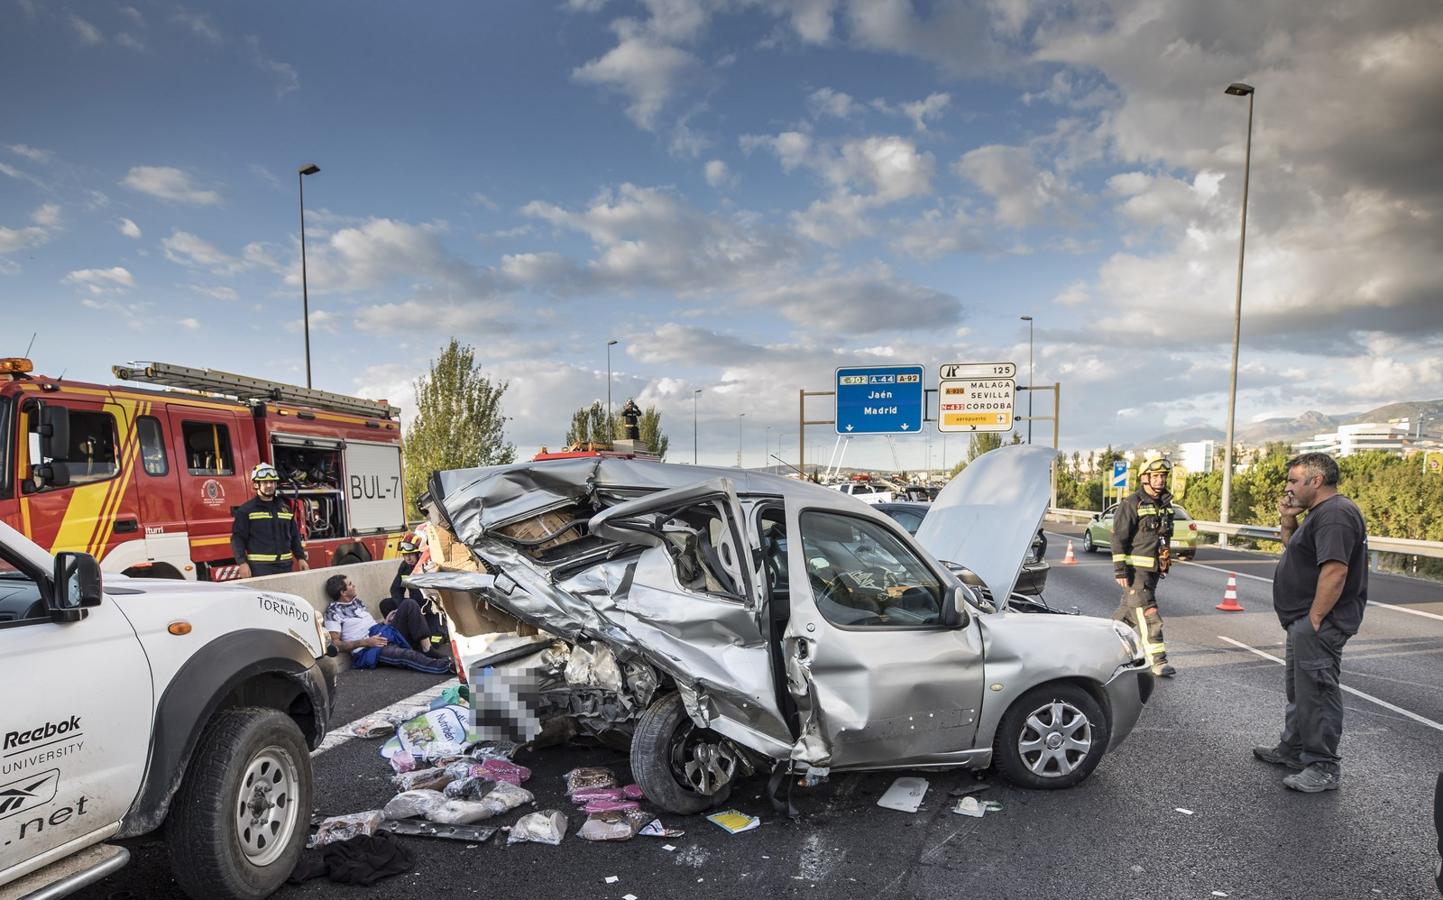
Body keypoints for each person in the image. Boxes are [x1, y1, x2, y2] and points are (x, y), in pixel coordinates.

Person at [1252, 452, 1367, 793]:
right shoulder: (1320, 514)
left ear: (1315, 481)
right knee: (1299, 688)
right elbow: (1297, 551)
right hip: (1303, 620)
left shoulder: (1335, 515)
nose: (1288, 487)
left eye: (1293, 480)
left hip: (1319, 622)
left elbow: (1335, 570)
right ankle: (1295, 748)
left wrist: (1314, 618)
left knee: (1317, 691)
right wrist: (1288, 520)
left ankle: (1323, 765)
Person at [1110, 456, 1177, 677]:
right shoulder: (1132, 503)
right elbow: (1119, 537)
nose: (1160, 480)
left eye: (1163, 476)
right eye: (1156, 476)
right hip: (1135, 573)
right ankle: (1158, 661)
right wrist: (1120, 568)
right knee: (1149, 613)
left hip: (1153, 572)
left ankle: (1101, 646)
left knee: (1126, 618)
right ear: (1145, 478)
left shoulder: (1165, 505)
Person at [322, 574, 453, 674]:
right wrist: (366, 642)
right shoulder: (333, 612)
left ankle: (427, 649)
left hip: (383, 631)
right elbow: (336, 643)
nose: (354, 585)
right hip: (369, 648)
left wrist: (385, 622)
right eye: (350, 584)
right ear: (343, 592)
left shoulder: (357, 602)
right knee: (405, 655)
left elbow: (366, 625)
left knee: (409, 604)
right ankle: (447, 668)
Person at [231, 462, 309, 578]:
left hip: (285, 567)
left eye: (272, 482)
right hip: (260, 568)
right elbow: (238, 539)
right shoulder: (246, 510)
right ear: (256, 484)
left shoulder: (285, 509)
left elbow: (294, 536)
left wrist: (301, 558)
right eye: (265, 482)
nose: (269, 485)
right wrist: (242, 563)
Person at [380, 538, 447, 648]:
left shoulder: (430, 565)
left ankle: (439, 632)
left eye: (411, 554)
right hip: (413, 607)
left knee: (435, 641)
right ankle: (402, 633)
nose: (408, 558)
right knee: (385, 604)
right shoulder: (405, 566)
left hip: (430, 610)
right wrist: (402, 607)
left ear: (419, 553)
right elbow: (396, 589)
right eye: (405, 555)